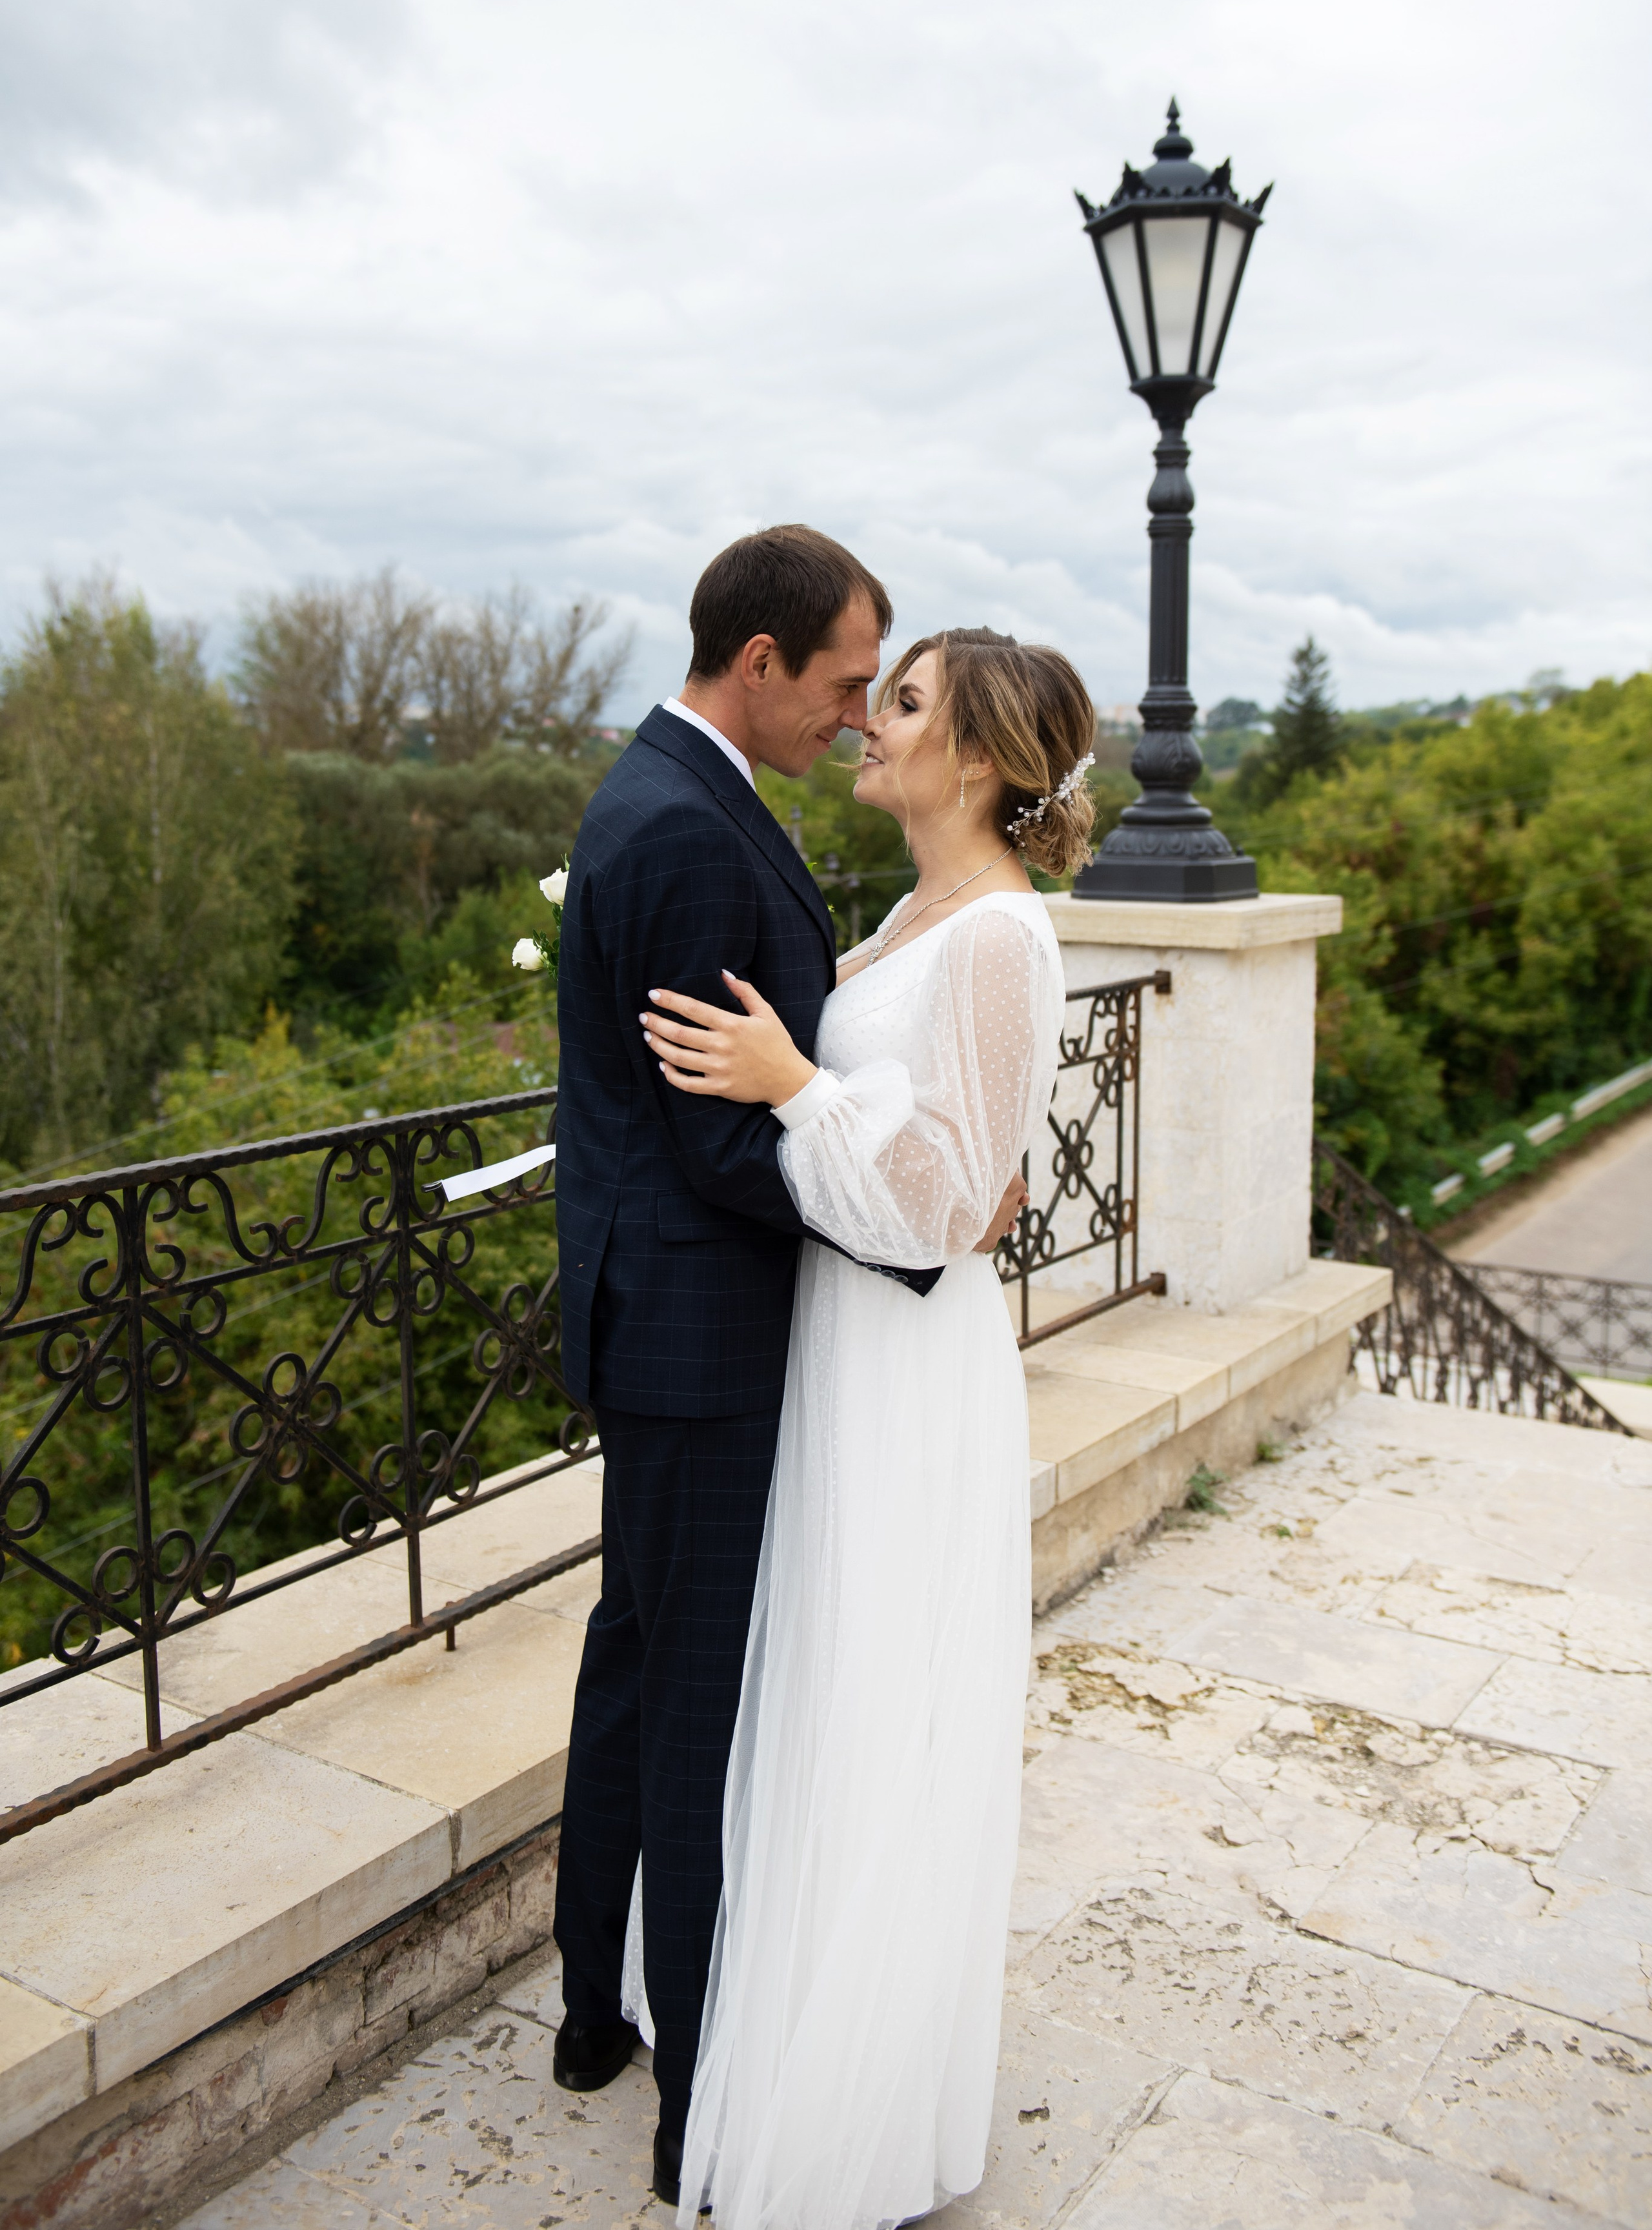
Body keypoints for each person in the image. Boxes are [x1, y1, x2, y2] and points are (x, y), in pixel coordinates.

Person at [640, 627, 1094, 2230]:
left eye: (899, 704)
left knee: (881, 1690)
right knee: (825, 1678)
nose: (864, 721)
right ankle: (789, 2035)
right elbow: (969, 1167)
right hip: (836, 1345)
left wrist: (787, 1085)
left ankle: (854, 2110)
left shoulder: (998, 941)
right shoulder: (918, 913)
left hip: (903, 1366)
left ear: (977, 759)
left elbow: (945, 1207)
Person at [551, 527, 971, 2207]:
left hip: (657, 1318)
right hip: (702, 1335)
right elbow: (724, 1147)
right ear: (763, 663)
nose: (857, 716)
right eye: (848, 681)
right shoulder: (691, 832)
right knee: (695, 1708)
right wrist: (912, 1239)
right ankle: (698, 2100)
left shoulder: (666, 792)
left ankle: (598, 2004)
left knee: (638, 1664)